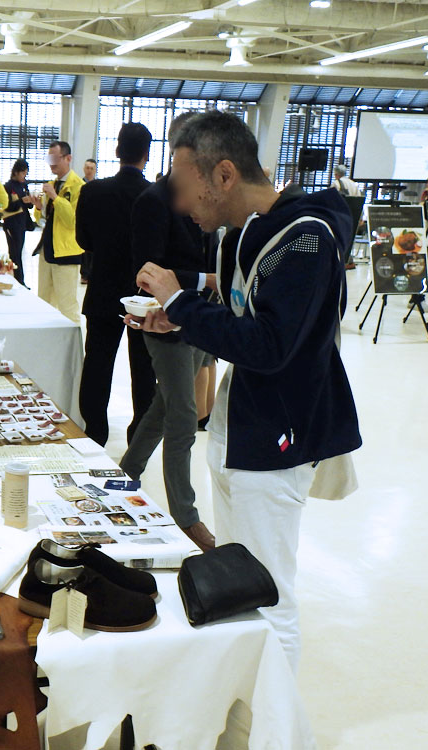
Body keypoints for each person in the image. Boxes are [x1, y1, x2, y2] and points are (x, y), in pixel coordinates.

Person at [129, 110, 362, 671]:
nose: (183, 206)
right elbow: (242, 312)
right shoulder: (246, 233)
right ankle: (244, 708)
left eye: (187, 189)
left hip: (275, 440)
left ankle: (276, 729)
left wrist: (180, 300)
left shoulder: (305, 238)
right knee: (238, 582)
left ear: (224, 175)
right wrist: (180, 319)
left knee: (269, 592)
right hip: (241, 432)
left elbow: (271, 345)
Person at [118, 112, 217, 552]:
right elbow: (148, 269)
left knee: (166, 403)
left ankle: (126, 474)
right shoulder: (153, 201)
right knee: (183, 416)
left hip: (203, 319)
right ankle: (186, 517)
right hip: (165, 321)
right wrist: (206, 280)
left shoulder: (208, 196)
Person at [76, 123, 155, 448]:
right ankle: (139, 435)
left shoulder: (93, 191)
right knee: (144, 367)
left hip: (104, 288)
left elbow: (84, 241)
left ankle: (95, 431)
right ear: (147, 155)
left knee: (97, 363)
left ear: (116, 150)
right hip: (144, 296)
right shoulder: (155, 195)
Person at [30, 141, 85, 323]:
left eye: (55, 158)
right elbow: (43, 219)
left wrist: (55, 196)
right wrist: (39, 207)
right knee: (44, 301)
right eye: (49, 158)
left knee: (67, 306)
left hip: (67, 252)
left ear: (68, 158)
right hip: (48, 249)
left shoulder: (79, 186)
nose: (51, 163)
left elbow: (72, 221)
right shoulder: (53, 184)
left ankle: (73, 350)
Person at [2, 158, 32, 287]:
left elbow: (29, 206)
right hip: (11, 223)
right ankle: (18, 281)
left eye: (26, 173)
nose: (24, 176)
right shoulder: (8, 187)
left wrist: (30, 200)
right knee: (14, 252)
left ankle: (20, 280)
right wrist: (21, 201)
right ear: (16, 172)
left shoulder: (24, 185)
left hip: (21, 223)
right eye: (23, 173)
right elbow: (6, 206)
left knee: (19, 252)